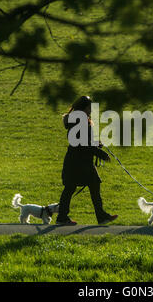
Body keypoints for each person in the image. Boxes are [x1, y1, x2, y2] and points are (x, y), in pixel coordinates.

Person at [56, 95, 118, 226]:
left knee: (88, 185)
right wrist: (99, 152)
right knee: (70, 188)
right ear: (83, 108)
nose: (91, 110)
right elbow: (83, 143)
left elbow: (84, 141)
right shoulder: (80, 121)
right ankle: (63, 217)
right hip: (78, 161)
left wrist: (96, 143)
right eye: (89, 108)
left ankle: (99, 216)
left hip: (79, 160)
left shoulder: (80, 120)